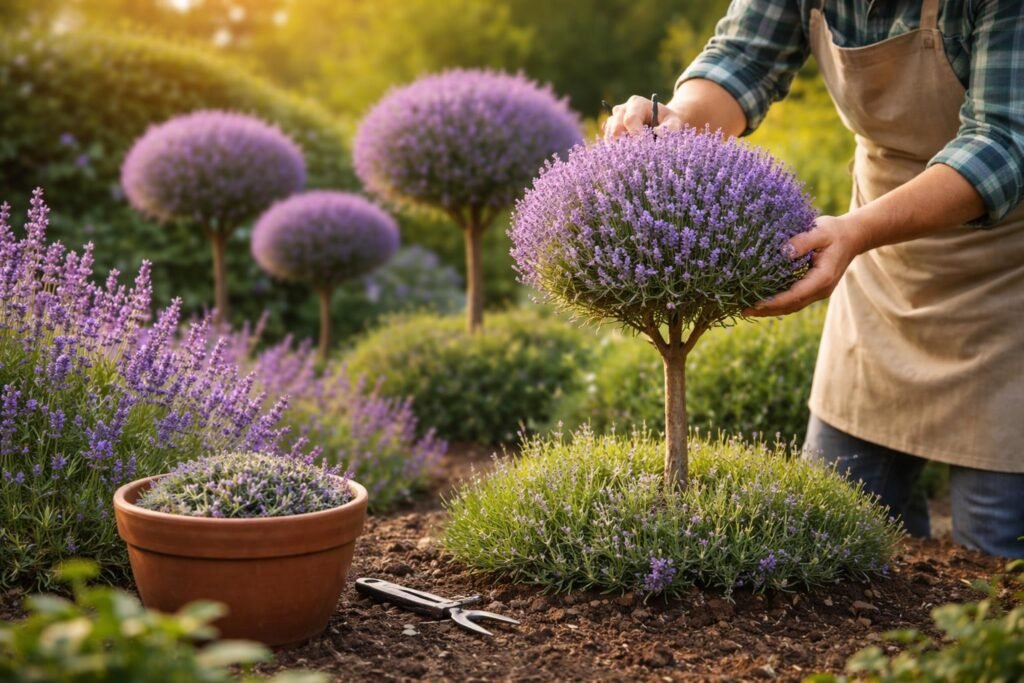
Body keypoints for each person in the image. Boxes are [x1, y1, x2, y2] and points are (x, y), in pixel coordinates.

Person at [604, 0, 1024, 558]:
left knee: (992, 556)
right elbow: (743, 58)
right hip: (880, 268)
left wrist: (855, 231)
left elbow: (1004, 141)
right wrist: (679, 121)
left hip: (1005, 284)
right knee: (835, 533)